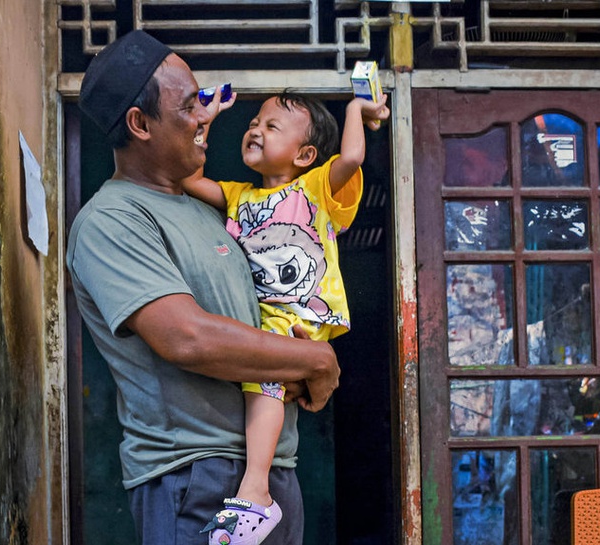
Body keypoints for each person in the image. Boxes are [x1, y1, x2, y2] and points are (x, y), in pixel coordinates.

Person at [67, 30, 341, 545]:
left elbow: (259, 327)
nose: (204, 116)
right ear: (138, 124)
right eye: (190, 105)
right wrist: (314, 362)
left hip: (273, 472)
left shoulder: (214, 214)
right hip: (198, 479)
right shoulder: (113, 220)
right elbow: (186, 337)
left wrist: (300, 362)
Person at [183, 89, 389, 543]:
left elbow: (352, 156)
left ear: (306, 154)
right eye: (255, 121)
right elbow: (190, 178)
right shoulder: (239, 195)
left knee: (264, 384)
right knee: (262, 383)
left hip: (297, 311)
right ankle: (256, 492)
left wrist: (355, 108)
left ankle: (256, 492)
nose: (255, 128)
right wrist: (207, 119)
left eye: (271, 126)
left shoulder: (314, 186)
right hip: (263, 316)